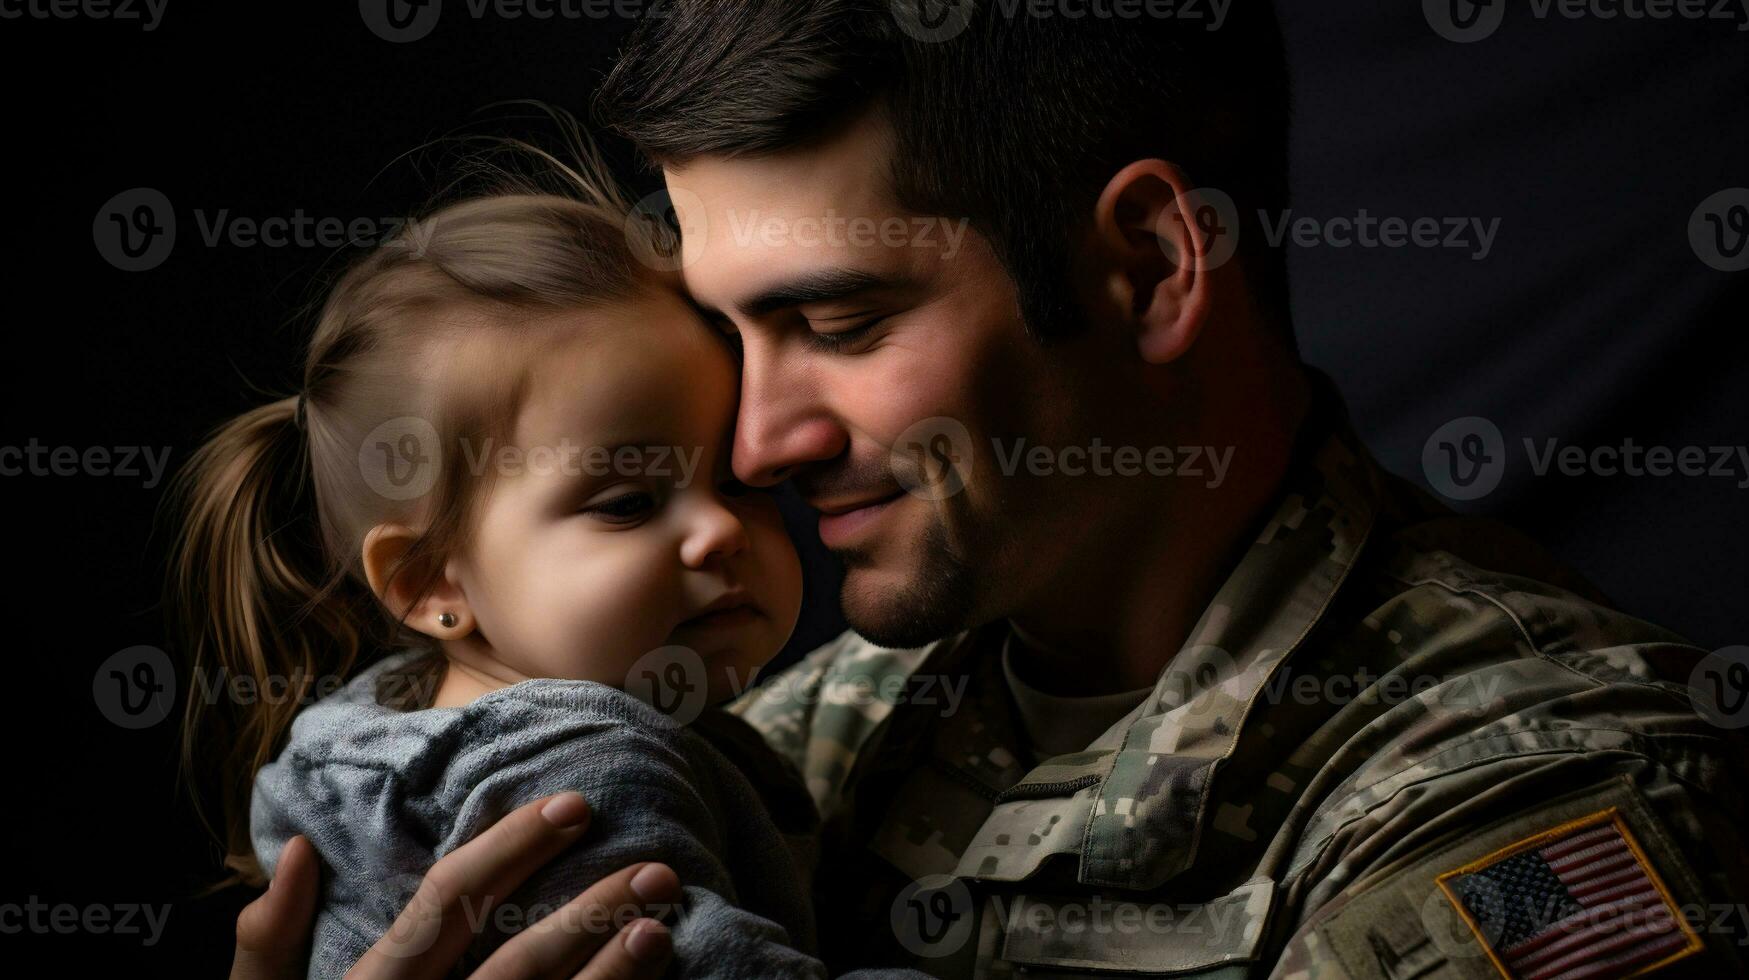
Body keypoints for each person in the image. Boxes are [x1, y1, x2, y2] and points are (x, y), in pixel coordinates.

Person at [231, 3, 1749, 977]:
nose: (754, 446)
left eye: (837, 327)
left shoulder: (1537, 798)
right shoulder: (810, 730)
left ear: (1152, 265)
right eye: (727, 336)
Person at [170, 131, 929, 977]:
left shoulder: (387, 732)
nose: (719, 530)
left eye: (735, 481)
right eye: (628, 503)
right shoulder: (575, 762)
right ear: (427, 582)